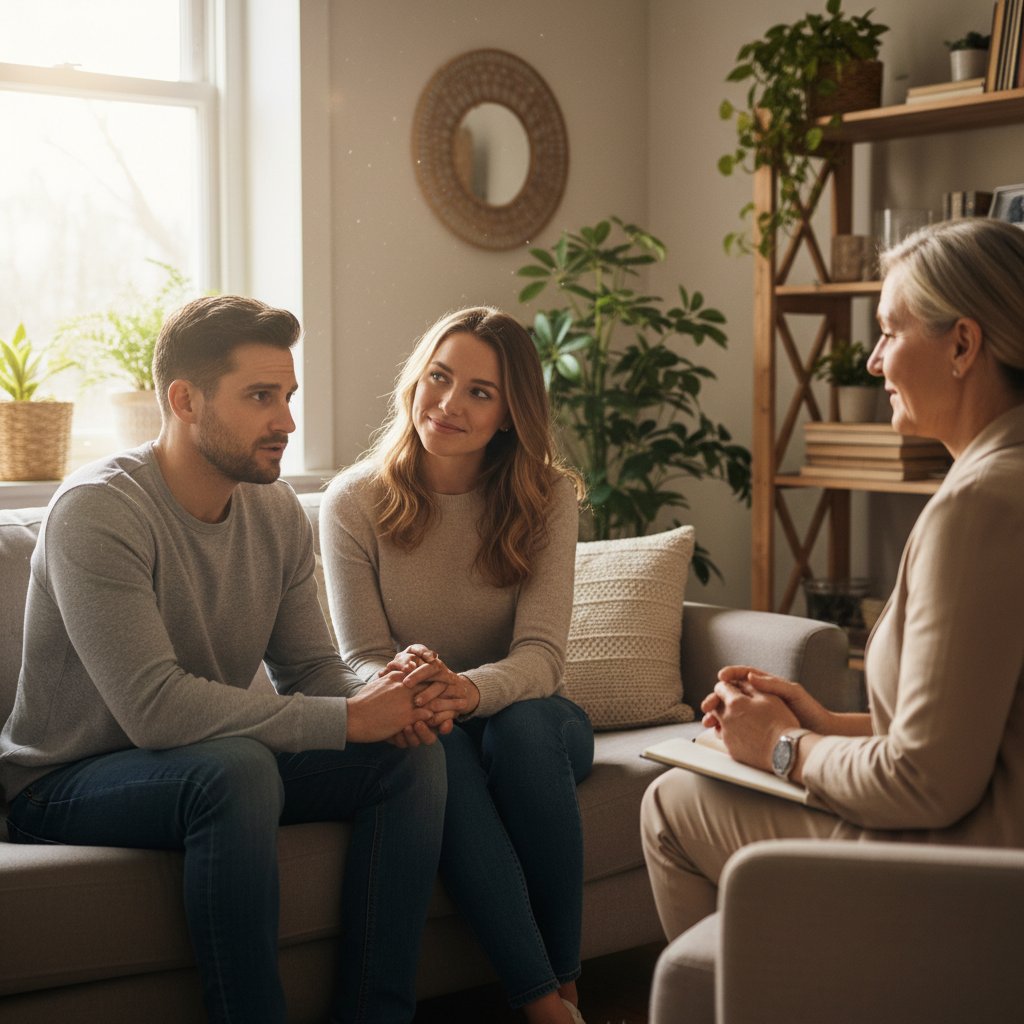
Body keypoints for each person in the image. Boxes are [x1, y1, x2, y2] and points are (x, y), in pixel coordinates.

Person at [0, 295, 447, 1024]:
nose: (288, 422)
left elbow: (311, 671)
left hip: (196, 760)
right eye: (261, 397)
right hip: (63, 781)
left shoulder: (274, 511)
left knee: (410, 755)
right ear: (184, 400)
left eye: (289, 396)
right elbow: (156, 709)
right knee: (235, 768)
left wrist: (388, 690)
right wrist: (347, 718)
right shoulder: (98, 511)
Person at [641, 217, 1024, 941]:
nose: (874, 362)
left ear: (964, 345)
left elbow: (926, 783)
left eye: (889, 331)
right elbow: (985, 728)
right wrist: (820, 722)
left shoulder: (976, 508)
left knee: (672, 803)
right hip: (992, 835)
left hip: (971, 876)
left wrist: (782, 748)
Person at [319, 306, 595, 1024]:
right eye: (439, 378)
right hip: (427, 718)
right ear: (415, 381)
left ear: (510, 413)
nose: (448, 404)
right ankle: (547, 1006)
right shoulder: (353, 501)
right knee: (434, 744)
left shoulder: (545, 496)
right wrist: (419, 691)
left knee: (524, 730)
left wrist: (466, 691)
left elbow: (541, 656)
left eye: (480, 391)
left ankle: (566, 984)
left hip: (534, 720)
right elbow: (362, 660)